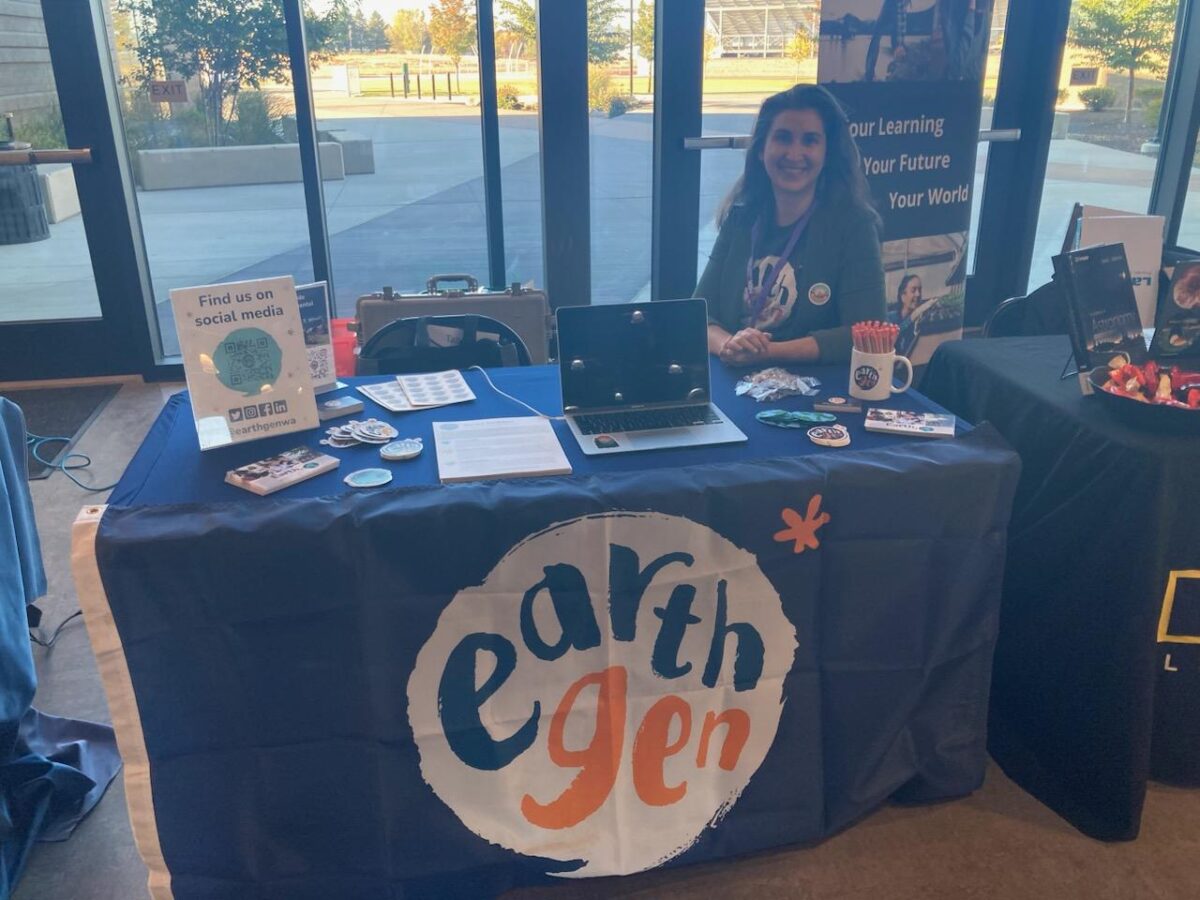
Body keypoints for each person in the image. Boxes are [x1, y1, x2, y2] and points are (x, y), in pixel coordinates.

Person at [698, 84, 885, 366]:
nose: (794, 153)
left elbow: (863, 333)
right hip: (734, 380)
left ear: (827, 154)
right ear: (762, 150)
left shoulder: (854, 225)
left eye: (810, 140)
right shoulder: (742, 216)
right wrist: (729, 345)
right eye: (783, 138)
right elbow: (698, 314)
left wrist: (766, 352)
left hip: (813, 397)